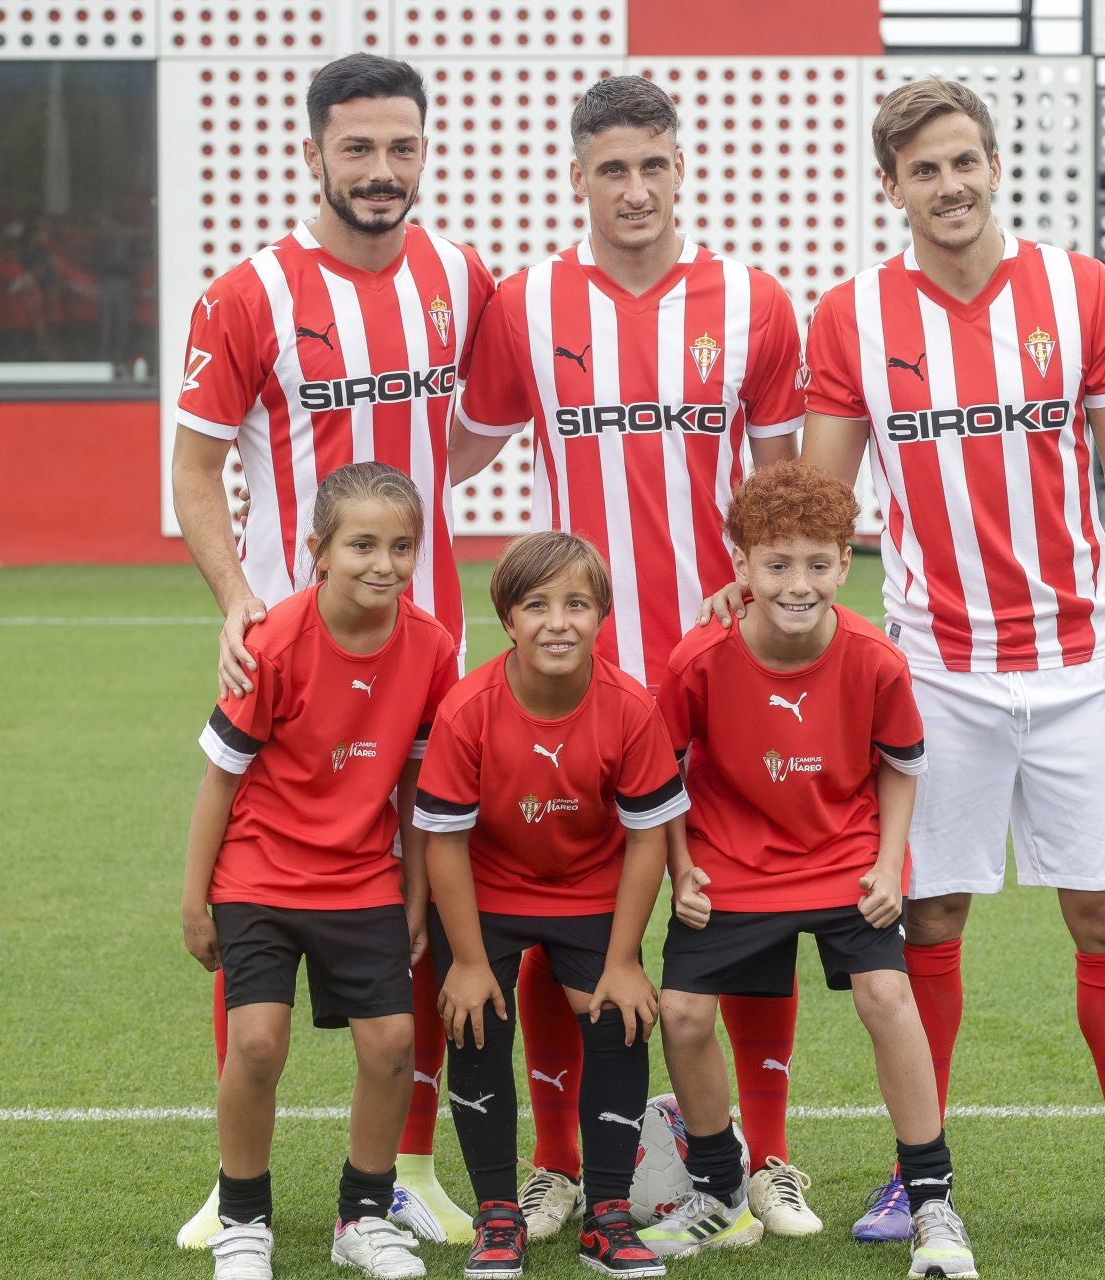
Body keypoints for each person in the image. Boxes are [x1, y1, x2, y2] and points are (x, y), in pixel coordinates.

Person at [788, 76, 1105, 1247]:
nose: (951, 185)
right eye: (924, 169)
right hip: (935, 672)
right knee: (925, 919)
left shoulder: (1076, 290)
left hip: (1080, 667)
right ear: (892, 188)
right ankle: (916, 1174)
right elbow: (822, 498)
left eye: (965, 160)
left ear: (993, 165)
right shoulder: (851, 318)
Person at [447, 74, 822, 1241]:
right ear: (578, 177)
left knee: (742, 920)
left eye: (654, 164)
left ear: (679, 167)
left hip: (718, 669)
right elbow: (446, 445)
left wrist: (763, 586)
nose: (636, 188)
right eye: (613, 168)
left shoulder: (753, 301)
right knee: (566, 918)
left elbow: (779, 492)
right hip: (578, 674)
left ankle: (764, 1158)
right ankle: (560, 1166)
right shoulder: (525, 304)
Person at [172, 51, 494, 1248]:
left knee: (420, 875)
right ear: (312, 152)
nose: (381, 171)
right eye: (356, 148)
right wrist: (240, 603)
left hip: (433, 642)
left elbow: (472, 434)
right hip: (289, 647)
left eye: (401, 147)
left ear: (425, 150)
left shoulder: (462, 276)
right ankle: (233, 1177)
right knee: (264, 864)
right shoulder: (247, 293)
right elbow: (196, 468)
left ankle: (403, 1166)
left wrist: (410, 540)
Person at [639, 461, 977, 1279]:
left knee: (888, 993)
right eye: (777, 564)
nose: (798, 584)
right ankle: (722, 1191)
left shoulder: (874, 658)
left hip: (840, 861)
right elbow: (662, 774)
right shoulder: (699, 659)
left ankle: (932, 1197)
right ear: (742, 567)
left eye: (818, 563)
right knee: (681, 1015)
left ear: (846, 562)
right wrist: (682, 869)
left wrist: (890, 862)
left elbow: (900, 762)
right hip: (731, 864)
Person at [180, 462, 458, 1280]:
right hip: (259, 875)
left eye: (401, 546)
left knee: (392, 1044)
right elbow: (220, 778)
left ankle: (363, 1216)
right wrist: (194, 902)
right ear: (318, 552)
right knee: (258, 1043)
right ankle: (242, 1219)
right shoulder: (272, 642)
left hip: (363, 878)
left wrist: (412, 893)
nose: (384, 564)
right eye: (362, 545)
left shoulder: (433, 646)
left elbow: (414, 784)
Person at [415, 532, 684, 1279]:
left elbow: (647, 841)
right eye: (536, 604)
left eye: (576, 603)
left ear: (602, 614)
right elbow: (442, 843)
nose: (557, 621)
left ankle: (604, 1215)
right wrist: (468, 961)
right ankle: (498, 1215)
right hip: (488, 889)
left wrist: (625, 960)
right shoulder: (470, 708)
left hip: (590, 889)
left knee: (619, 1019)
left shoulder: (630, 707)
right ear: (507, 618)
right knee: (475, 1017)